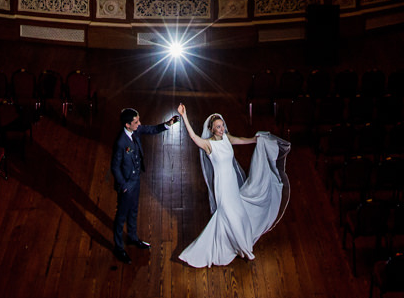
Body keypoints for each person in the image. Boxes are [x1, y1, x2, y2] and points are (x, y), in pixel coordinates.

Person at [174, 102, 292, 268]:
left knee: (238, 215)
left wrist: (254, 140)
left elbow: (241, 140)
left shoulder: (226, 139)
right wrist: (184, 116)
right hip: (221, 186)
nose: (221, 129)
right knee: (228, 214)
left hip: (232, 185)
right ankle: (243, 249)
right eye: (218, 127)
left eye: (222, 126)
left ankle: (231, 245)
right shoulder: (209, 145)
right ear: (211, 129)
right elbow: (193, 137)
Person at [110, 106, 179, 263]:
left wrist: (167, 124)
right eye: (136, 121)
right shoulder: (121, 142)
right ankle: (119, 248)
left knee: (134, 210)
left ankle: (133, 237)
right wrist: (124, 185)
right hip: (127, 184)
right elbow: (115, 166)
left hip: (136, 180)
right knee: (121, 217)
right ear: (127, 125)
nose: (139, 123)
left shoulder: (136, 131)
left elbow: (151, 129)